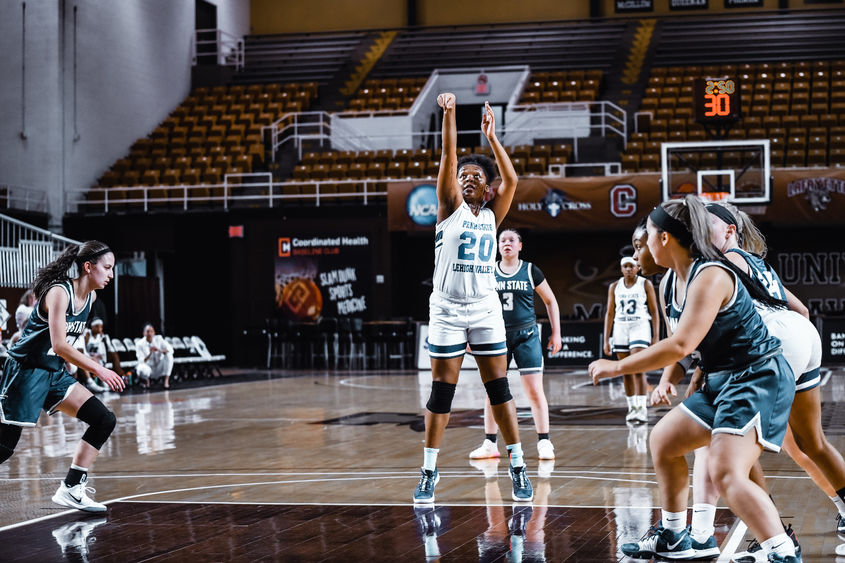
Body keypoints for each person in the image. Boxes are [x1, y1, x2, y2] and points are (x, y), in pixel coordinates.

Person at [589, 196, 800, 563]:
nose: (644, 243)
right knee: (664, 440)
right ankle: (674, 535)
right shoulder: (678, 278)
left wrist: (618, 366)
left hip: (756, 376)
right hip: (723, 378)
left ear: (665, 239)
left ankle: (782, 552)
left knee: (726, 473)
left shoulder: (711, 274)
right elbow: (690, 347)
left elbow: (681, 343)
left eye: (648, 236)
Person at [684, 201, 845, 561]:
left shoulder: (719, 265)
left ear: (730, 231)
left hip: (767, 344)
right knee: (807, 443)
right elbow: (801, 310)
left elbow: (712, 328)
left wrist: (701, 372)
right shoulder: (758, 261)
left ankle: (775, 537)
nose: (697, 231)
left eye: (704, 224)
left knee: (731, 441)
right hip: (801, 336)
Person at [414, 93, 532, 504]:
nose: (466, 178)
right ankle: (429, 471)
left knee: (499, 388)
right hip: (446, 308)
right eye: (462, 175)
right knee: (441, 393)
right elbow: (447, 156)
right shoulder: (449, 208)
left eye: (475, 176)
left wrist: (492, 138)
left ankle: (517, 464)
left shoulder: (491, 215)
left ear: (487, 187)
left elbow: (513, 180)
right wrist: (449, 114)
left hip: (484, 308)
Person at [0, 241, 124, 512]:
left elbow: (64, 347)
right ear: (88, 267)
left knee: (104, 419)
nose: (111, 274)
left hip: (53, 372)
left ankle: (71, 488)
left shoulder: (90, 298)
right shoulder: (59, 292)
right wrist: (98, 368)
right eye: (107, 268)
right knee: (4, 447)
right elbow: (59, 345)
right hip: (26, 370)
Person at [468, 228, 562, 461]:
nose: (506, 243)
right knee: (493, 391)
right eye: (502, 240)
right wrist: (471, 333)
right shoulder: (488, 271)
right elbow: (473, 303)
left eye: (512, 240)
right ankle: (490, 443)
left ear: (520, 245)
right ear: (497, 246)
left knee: (534, 390)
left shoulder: (531, 270)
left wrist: (556, 333)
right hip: (496, 336)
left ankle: (544, 441)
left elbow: (550, 300)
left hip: (526, 335)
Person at [602, 256, 659, 423]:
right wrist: (606, 339)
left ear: (637, 268)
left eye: (631, 266)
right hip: (620, 327)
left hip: (640, 326)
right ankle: (632, 407)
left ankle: (642, 408)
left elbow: (654, 311)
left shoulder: (645, 284)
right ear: (621, 269)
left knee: (638, 368)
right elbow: (610, 313)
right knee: (625, 370)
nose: (628, 269)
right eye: (625, 266)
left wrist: (655, 336)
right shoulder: (614, 286)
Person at [135, 323, 174, 390]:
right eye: (147, 331)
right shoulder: (139, 344)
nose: (150, 333)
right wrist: (150, 353)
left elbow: (171, 349)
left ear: (154, 333)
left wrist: (159, 350)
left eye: (151, 331)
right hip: (148, 368)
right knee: (140, 368)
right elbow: (141, 360)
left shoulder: (159, 339)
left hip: (159, 367)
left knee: (169, 355)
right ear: (144, 333)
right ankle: (147, 381)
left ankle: (166, 381)